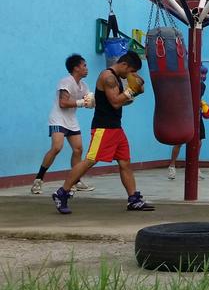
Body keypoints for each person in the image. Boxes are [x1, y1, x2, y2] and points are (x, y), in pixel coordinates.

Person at [52, 51, 155, 214]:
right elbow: (115, 102)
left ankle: (133, 199)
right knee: (90, 161)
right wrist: (130, 92)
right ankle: (62, 193)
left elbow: (120, 103)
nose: (132, 75)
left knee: (125, 162)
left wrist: (132, 94)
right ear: (124, 65)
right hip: (104, 128)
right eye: (131, 71)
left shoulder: (116, 78)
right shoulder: (108, 77)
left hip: (116, 127)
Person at [31, 54, 95, 195]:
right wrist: (81, 103)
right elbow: (63, 103)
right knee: (56, 147)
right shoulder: (66, 82)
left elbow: (89, 101)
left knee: (78, 149)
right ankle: (38, 180)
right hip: (58, 119)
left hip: (71, 121)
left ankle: (76, 181)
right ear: (76, 68)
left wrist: (92, 103)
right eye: (84, 65)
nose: (86, 68)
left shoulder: (84, 86)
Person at [168, 64, 209, 180]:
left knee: (199, 141)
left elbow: (195, 99)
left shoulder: (202, 85)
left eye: (204, 73)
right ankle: (172, 166)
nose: (203, 76)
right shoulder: (183, 83)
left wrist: (203, 104)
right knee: (180, 141)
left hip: (196, 115)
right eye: (201, 73)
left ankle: (195, 167)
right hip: (184, 115)